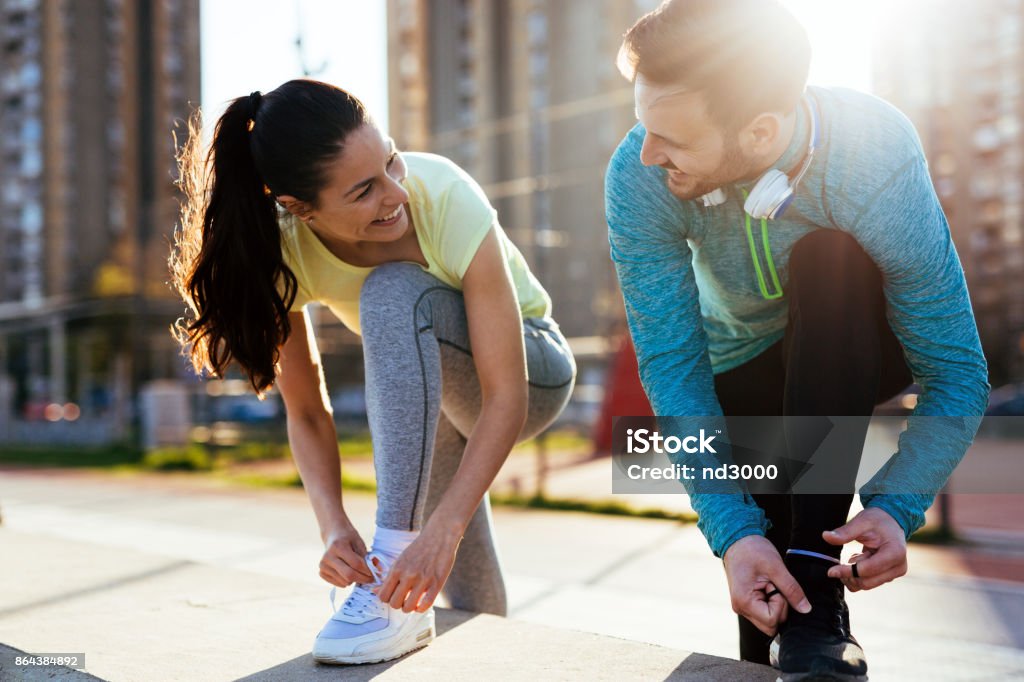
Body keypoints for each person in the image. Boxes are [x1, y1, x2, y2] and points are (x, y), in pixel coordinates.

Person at [604, 1, 989, 679]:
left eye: (670, 138)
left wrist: (897, 505)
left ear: (758, 132)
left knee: (828, 258)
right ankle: (809, 619)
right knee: (771, 604)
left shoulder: (873, 152)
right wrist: (734, 534)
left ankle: (817, 577)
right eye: (643, 125)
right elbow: (673, 368)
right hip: (740, 373)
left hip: (856, 346)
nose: (646, 153)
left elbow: (956, 371)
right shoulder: (638, 178)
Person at [170, 79, 575, 665]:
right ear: (298, 208)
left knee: (391, 292)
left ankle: (389, 555)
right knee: (449, 587)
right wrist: (333, 527)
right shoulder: (283, 252)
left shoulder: (443, 195)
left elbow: (505, 395)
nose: (395, 194)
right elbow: (306, 411)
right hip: (434, 399)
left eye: (390, 161)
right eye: (364, 191)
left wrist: (442, 527)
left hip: (533, 373)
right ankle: (471, 651)